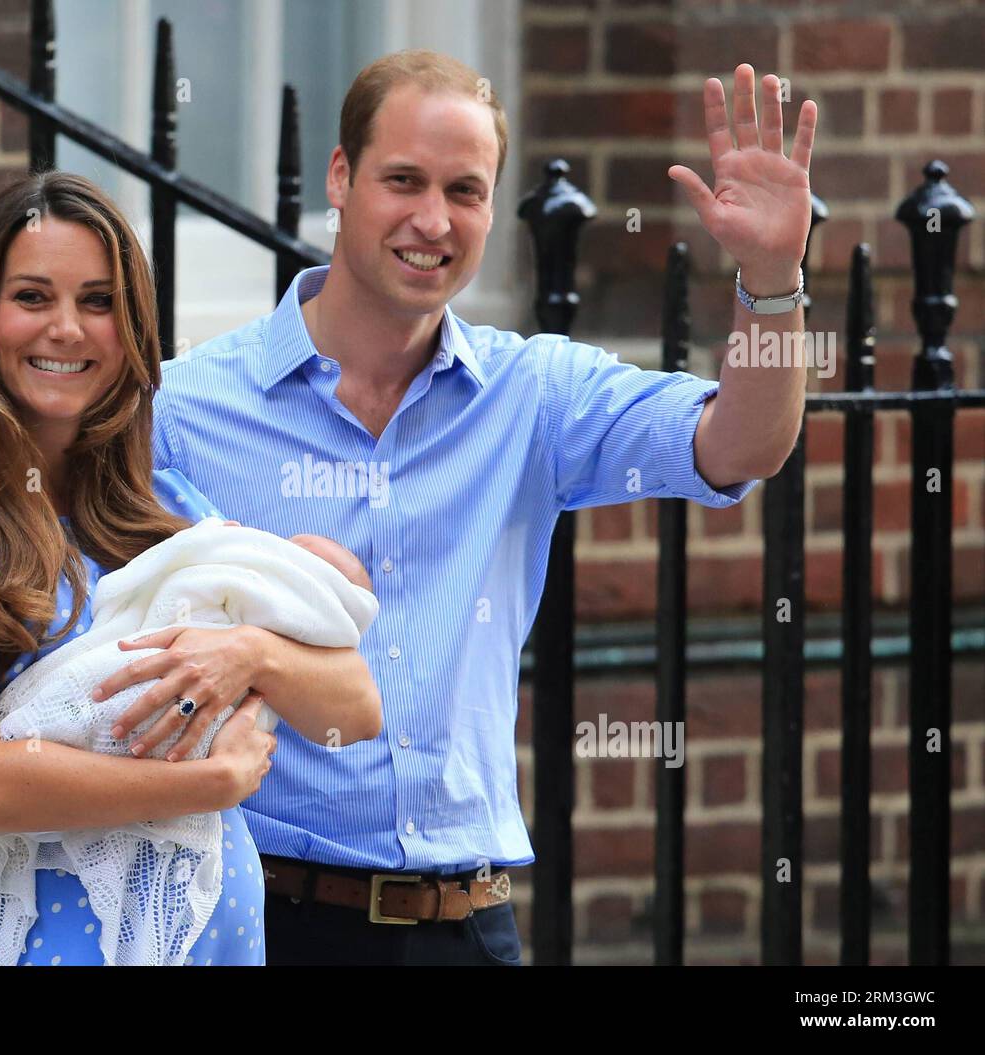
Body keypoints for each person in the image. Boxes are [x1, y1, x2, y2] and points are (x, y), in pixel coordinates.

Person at [101, 51, 817, 965]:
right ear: (340, 176)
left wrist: (770, 283)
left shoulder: (535, 393)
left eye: (466, 191)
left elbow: (741, 443)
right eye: (403, 180)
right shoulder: (186, 409)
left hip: (467, 926)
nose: (433, 221)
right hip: (256, 916)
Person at [0, 170, 382, 966]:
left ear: (131, 326)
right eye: (33, 297)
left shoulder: (164, 502)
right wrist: (205, 784)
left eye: (98, 302)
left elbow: (357, 705)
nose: (66, 329)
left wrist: (252, 655)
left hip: (211, 930)